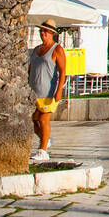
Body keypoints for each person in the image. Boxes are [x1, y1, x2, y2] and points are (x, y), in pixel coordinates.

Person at [29, 20, 66, 162]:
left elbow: (63, 72)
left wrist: (59, 90)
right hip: (34, 91)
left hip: (48, 92)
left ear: (52, 34)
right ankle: (46, 139)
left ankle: (42, 150)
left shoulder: (57, 49)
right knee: (33, 120)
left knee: (44, 119)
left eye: (45, 31)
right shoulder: (36, 49)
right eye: (41, 31)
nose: (42, 33)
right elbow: (31, 68)